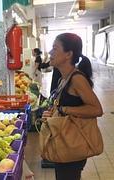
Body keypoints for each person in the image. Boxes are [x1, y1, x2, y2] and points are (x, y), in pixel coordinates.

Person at [42, 33, 103, 180]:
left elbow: (97, 109)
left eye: (55, 48)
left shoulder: (77, 79)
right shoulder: (63, 79)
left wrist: (64, 110)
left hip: (72, 144)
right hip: (63, 141)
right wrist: (53, 112)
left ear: (68, 54)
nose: (50, 52)